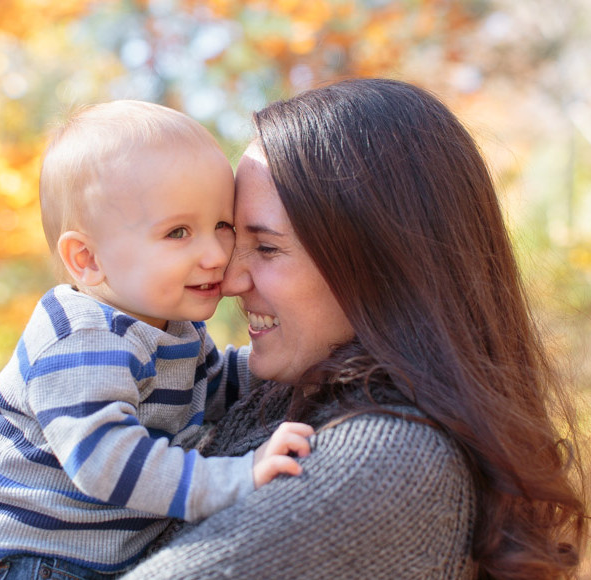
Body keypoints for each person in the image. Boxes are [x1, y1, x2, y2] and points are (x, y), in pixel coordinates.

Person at [120, 79, 589, 579]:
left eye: (268, 247)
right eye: (233, 238)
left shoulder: (388, 459)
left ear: (381, 263)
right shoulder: (273, 397)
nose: (230, 279)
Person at [0, 100, 313, 579]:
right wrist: (232, 478)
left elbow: (224, 386)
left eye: (222, 226)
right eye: (178, 232)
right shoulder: (81, 339)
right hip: (22, 564)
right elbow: (106, 459)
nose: (216, 254)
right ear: (87, 259)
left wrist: (309, 356)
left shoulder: (172, 329)